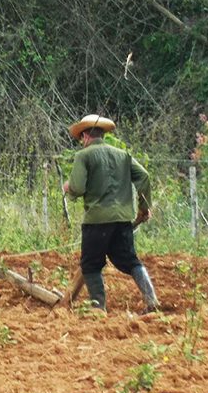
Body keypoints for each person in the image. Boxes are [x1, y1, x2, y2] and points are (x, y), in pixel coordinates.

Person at [62, 114, 159, 314]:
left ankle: (99, 307)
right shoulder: (122, 155)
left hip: (97, 220)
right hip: (123, 219)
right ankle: (151, 300)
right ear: (102, 134)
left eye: (81, 139)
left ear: (85, 136)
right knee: (130, 260)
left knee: (90, 264)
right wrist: (144, 207)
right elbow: (144, 176)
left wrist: (68, 188)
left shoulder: (84, 155)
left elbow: (78, 187)